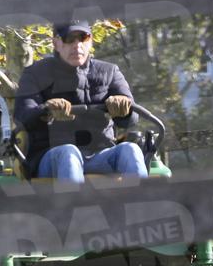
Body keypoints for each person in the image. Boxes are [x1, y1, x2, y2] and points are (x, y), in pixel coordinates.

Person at [13, 21, 148, 183]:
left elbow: (132, 119)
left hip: (102, 153)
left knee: (130, 149)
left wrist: (124, 108)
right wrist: (45, 110)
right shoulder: (35, 74)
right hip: (52, 156)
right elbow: (22, 115)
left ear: (90, 41)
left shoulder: (110, 72)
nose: (77, 46)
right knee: (69, 153)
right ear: (56, 43)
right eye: (69, 39)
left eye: (83, 38)